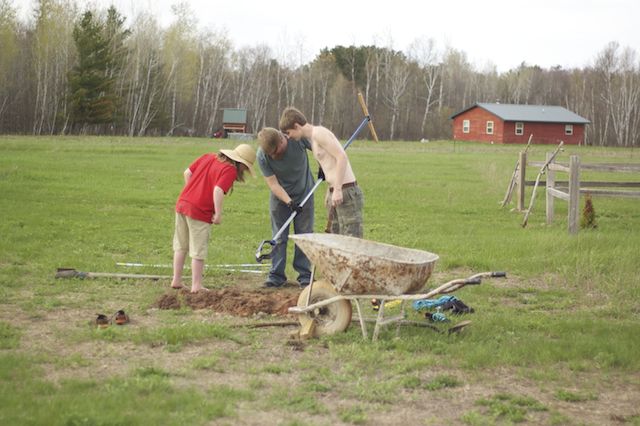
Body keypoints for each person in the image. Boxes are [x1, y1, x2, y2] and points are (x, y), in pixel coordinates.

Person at [170, 144, 256, 293]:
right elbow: (218, 190)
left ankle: (176, 280)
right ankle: (196, 285)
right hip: (200, 211)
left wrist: (192, 192)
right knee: (198, 249)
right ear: (240, 163)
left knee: (181, 245)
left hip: (183, 204)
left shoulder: (209, 157)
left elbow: (187, 173)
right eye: (245, 167)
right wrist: (218, 213)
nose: (244, 171)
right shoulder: (230, 169)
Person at [279, 107, 363, 237]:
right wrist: (330, 191)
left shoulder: (319, 133)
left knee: (351, 237)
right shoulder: (313, 140)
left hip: (346, 190)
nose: (289, 137)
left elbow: (341, 157)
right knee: (335, 237)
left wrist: (338, 189)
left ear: (296, 126)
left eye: (289, 133)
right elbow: (330, 166)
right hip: (335, 191)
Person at [256, 127, 314, 288]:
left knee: (304, 235)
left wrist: (323, 165)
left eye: (275, 152)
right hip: (280, 198)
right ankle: (276, 275)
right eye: (270, 154)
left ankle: (304, 275)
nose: (273, 157)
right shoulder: (262, 155)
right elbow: (273, 184)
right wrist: (289, 202)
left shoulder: (297, 138)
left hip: (305, 193)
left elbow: (318, 148)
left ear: (282, 140)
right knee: (279, 237)